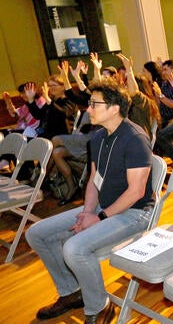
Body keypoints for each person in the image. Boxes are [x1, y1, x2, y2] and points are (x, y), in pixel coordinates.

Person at [26, 79, 154, 324]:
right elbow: (95, 178)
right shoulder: (97, 137)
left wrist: (100, 217)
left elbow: (136, 191)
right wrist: (87, 213)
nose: (88, 109)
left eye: (94, 104)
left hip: (135, 213)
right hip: (103, 207)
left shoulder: (135, 138)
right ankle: (72, 293)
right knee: (36, 233)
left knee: (74, 248)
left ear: (114, 108)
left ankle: (100, 306)